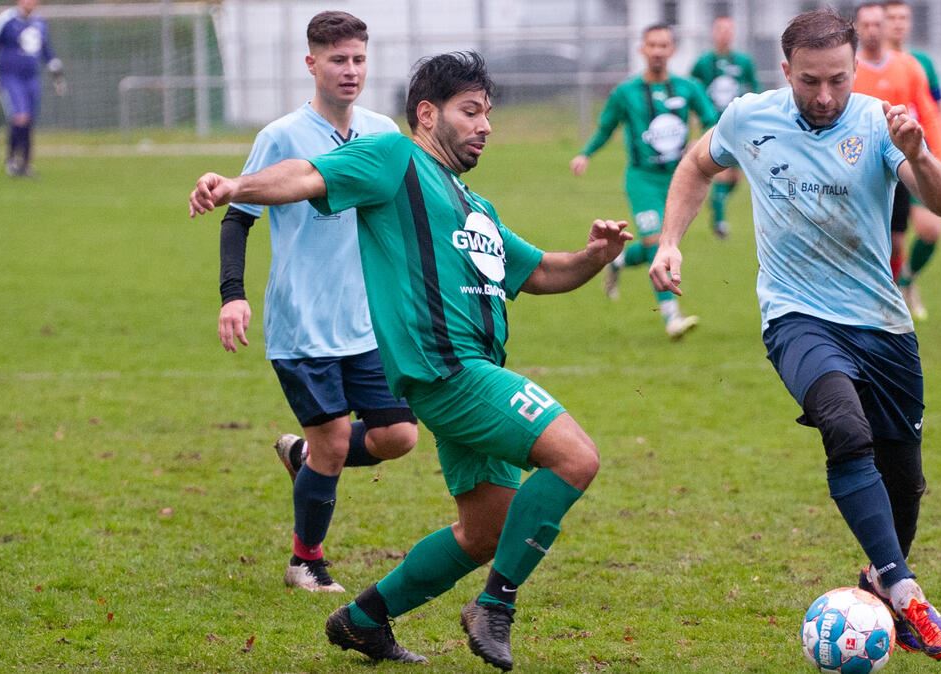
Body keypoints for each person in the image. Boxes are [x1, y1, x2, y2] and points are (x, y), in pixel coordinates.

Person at [190, 51, 631, 671]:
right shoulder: (396, 158)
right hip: (449, 372)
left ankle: (363, 620)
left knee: (483, 534)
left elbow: (541, 272)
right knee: (576, 457)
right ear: (427, 114)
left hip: (466, 372)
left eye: (488, 115)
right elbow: (307, 175)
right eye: (469, 112)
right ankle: (495, 608)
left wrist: (596, 255)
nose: (484, 126)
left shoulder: (475, 205)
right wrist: (237, 186)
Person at [649, 8, 941, 661]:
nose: (825, 97)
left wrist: (916, 156)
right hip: (796, 317)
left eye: (839, 81)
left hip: (883, 327)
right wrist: (670, 242)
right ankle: (905, 592)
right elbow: (694, 166)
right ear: (786, 70)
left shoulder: (879, 121)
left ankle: (881, 575)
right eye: (811, 82)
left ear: (854, 71)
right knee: (843, 429)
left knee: (903, 480)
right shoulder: (748, 116)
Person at [216, 11, 418, 595]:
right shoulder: (280, 136)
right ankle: (306, 561)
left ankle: (303, 454)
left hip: (369, 320)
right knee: (334, 442)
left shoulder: (384, 132)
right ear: (312, 64)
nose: (350, 70)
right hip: (302, 322)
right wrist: (234, 297)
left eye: (357, 59)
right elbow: (238, 217)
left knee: (398, 436)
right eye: (337, 60)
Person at [570, 24, 716, 340]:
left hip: (679, 180)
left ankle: (620, 259)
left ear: (672, 50)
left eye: (664, 45)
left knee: (665, 244)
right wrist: (586, 154)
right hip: (642, 180)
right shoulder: (626, 93)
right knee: (655, 242)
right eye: (652, 45)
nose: (658, 51)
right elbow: (606, 127)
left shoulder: (688, 88)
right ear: (642, 49)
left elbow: (711, 121)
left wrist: (701, 146)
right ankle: (671, 317)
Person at [851, 2, 941, 320]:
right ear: (856, 27)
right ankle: (877, 302)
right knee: (881, 242)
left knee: (929, 230)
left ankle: (901, 284)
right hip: (864, 168)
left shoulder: (911, 66)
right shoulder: (849, 70)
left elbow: (931, 115)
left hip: (905, 160)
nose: (874, 30)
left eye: (879, 23)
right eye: (866, 24)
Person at [884, 0, 941, 319]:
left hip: (918, 157)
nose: (898, 23)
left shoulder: (921, 63)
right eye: (892, 18)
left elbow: (938, 110)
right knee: (893, 242)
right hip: (883, 160)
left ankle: (907, 280)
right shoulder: (867, 63)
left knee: (930, 230)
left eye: (904, 17)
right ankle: (888, 299)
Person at [0, 0, 66, 177]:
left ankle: (24, 164)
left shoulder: (40, 22)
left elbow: (47, 52)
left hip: (31, 79)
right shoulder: (6, 20)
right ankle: (11, 160)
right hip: (10, 78)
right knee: (20, 117)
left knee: (29, 120)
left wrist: (57, 78)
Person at [690, 15, 760, 239]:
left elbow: (754, 89)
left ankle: (717, 201)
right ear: (713, 33)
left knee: (735, 179)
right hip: (713, 125)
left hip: (739, 127)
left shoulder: (743, 61)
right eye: (720, 29)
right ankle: (719, 221)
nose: (725, 34)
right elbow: (691, 91)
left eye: (729, 29)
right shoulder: (703, 63)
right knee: (723, 172)